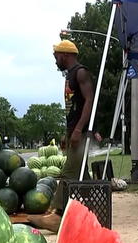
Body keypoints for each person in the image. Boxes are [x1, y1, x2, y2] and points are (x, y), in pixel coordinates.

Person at [28, 39, 95, 232]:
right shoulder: (70, 75)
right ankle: (94, 210)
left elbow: (89, 101)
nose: (55, 60)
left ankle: (57, 216)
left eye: (56, 56)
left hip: (81, 132)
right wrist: (67, 132)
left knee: (69, 173)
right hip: (74, 130)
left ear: (64, 55)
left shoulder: (80, 72)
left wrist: (78, 130)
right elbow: (73, 108)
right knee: (83, 175)